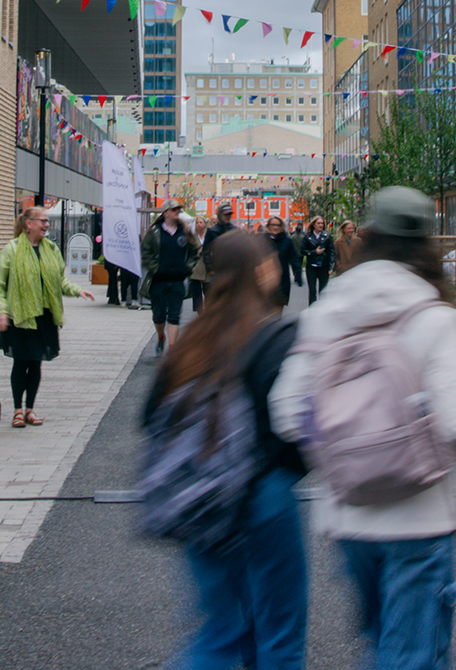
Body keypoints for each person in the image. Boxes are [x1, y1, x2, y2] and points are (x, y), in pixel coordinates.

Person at [270, 187, 456, 670]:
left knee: (382, 646)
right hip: (422, 519)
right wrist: (415, 436)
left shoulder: (327, 313)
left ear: (368, 237)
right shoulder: (435, 317)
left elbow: (286, 410)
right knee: (411, 656)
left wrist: (345, 446)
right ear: (426, 243)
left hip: (350, 516)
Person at [145, 233, 307, 670]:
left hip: (201, 501)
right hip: (265, 499)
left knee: (222, 629)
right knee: (280, 632)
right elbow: (294, 432)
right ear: (261, 272)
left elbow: (149, 415)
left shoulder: (194, 338)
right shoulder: (278, 337)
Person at [0, 205, 95, 427]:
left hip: (44, 316)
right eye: (43, 221)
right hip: (20, 316)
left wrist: (78, 290)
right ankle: (17, 410)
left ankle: (30, 409)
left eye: (47, 221)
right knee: (20, 363)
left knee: (37, 364)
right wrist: (1, 311)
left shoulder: (51, 249)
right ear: (29, 224)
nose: (47, 225)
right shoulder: (11, 249)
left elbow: (60, 281)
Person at [140, 200, 200, 357]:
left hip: (177, 280)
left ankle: (172, 349)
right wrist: (156, 268)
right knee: (158, 315)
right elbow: (145, 253)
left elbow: (195, 251)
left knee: (174, 316)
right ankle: (161, 336)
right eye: (173, 210)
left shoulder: (185, 231)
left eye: (178, 210)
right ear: (165, 213)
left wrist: (187, 268)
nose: (176, 212)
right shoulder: (154, 232)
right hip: (158, 280)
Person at [264, 216, 299, 307]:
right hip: (265, 280)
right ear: (268, 226)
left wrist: (298, 273)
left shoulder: (287, 241)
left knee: (278, 308)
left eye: (278, 225)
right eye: (273, 225)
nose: (275, 227)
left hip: (282, 280)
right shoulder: (262, 240)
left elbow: (294, 257)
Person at [300, 217, 335, 303]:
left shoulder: (327, 236)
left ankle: (322, 310)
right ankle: (312, 309)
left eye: (322, 223)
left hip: (323, 266)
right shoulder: (307, 236)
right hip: (311, 266)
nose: (320, 225)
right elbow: (303, 251)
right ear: (314, 224)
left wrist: (331, 266)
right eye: (318, 223)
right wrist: (314, 252)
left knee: (323, 291)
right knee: (312, 290)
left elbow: (332, 252)